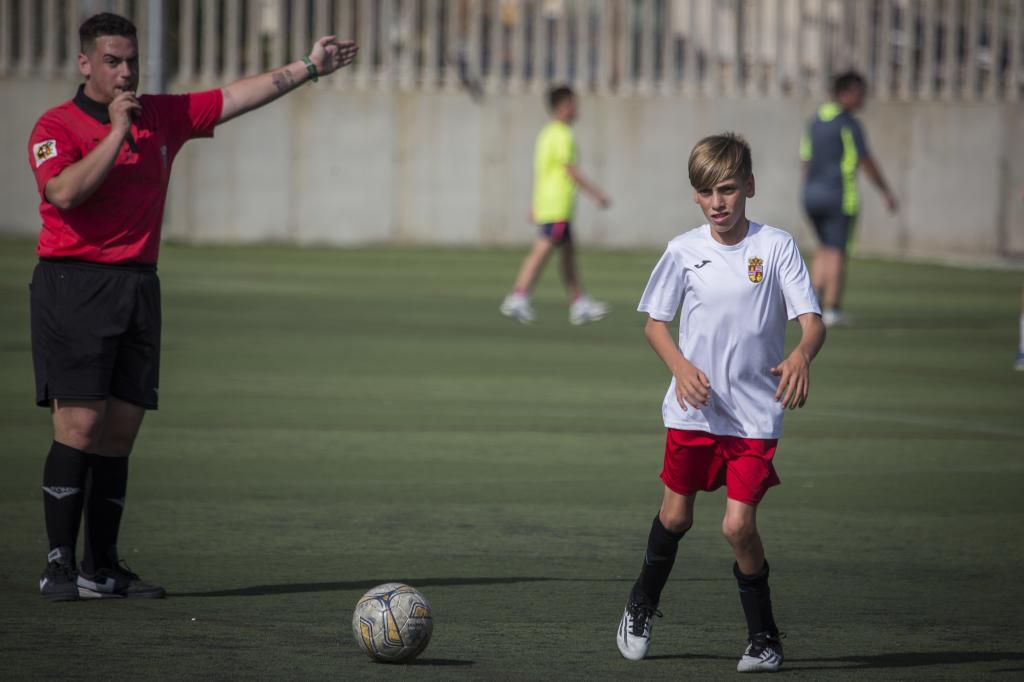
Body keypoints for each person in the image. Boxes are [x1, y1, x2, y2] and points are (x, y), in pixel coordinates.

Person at [28, 12, 357, 601]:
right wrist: (114, 133)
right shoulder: (55, 125)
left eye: (131, 59)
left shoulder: (160, 116)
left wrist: (310, 67)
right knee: (80, 426)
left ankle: (100, 567)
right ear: (85, 64)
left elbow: (234, 97)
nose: (126, 71)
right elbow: (66, 192)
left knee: (120, 432)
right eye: (112, 61)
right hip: (74, 284)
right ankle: (57, 566)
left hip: (137, 286)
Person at [615, 133, 826, 672]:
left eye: (728, 189)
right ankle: (642, 602)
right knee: (676, 515)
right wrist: (681, 368)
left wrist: (803, 353)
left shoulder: (775, 246)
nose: (718, 202)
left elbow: (812, 322)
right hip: (694, 413)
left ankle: (764, 638)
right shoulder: (683, 251)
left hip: (755, 415)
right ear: (695, 196)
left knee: (737, 527)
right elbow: (655, 325)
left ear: (749, 186)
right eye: (707, 192)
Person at [500, 85, 611, 325]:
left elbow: (542, 171)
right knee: (542, 249)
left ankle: (578, 302)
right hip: (557, 205)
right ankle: (518, 295)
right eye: (572, 103)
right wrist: (596, 194)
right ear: (562, 106)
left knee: (568, 253)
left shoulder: (547, 133)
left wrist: (534, 204)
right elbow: (569, 170)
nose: (576, 108)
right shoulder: (561, 135)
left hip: (551, 204)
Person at [800, 70, 897, 327]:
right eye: (860, 92)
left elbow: (805, 159)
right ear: (845, 92)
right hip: (838, 195)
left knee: (823, 248)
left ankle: (810, 305)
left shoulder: (816, 121)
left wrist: (809, 189)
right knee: (836, 251)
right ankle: (831, 308)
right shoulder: (848, 124)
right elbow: (865, 160)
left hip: (811, 194)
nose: (863, 98)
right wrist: (885, 191)